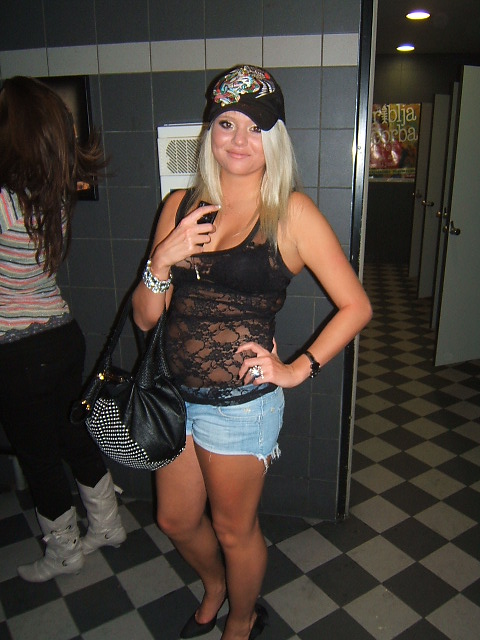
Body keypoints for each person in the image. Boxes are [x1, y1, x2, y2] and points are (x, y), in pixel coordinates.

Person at [132, 65, 372, 640]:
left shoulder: (291, 212)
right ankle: (216, 586)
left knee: (233, 529)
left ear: (276, 139)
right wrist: (162, 259)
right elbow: (145, 318)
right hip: (172, 394)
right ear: (209, 132)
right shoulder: (180, 205)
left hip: (240, 406)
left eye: (257, 128)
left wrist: (296, 369)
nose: (240, 139)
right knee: (175, 518)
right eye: (227, 123)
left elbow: (356, 306)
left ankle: (240, 621)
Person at [0, 76, 126, 582]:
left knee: (39, 457)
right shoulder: (50, 194)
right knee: (73, 436)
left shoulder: (5, 201)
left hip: (16, 350)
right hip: (61, 336)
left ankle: (65, 552)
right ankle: (108, 525)